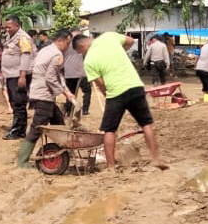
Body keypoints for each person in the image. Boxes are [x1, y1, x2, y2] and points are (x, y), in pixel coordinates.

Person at [74, 32, 169, 171]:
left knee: (109, 130)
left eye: (80, 51)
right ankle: (156, 159)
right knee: (146, 124)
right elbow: (130, 41)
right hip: (135, 86)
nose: (81, 53)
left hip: (115, 93)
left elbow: (100, 84)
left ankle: (111, 167)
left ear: (83, 45)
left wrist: (107, 94)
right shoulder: (109, 37)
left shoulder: (88, 61)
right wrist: (120, 50)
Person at [17, 30, 75, 168]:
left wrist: (66, 90)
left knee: (58, 121)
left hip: (37, 93)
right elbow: (50, 77)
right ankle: (22, 162)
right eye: (68, 43)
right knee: (37, 127)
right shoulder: (57, 54)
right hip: (44, 96)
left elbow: (57, 75)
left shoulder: (45, 50)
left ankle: (65, 152)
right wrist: (65, 93)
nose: (68, 46)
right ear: (62, 40)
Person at [1, 16, 35, 140]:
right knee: (15, 102)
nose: (7, 29)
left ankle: (17, 131)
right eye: (6, 27)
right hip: (11, 74)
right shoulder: (11, 37)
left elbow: (26, 56)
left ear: (17, 25)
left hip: (18, 75)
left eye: (9, 27)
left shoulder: (23, 38)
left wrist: (22, 76)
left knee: (18, 102)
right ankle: (19, 130)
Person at [63, 28, 91, 116]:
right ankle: (85, 110)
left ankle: (68, 111)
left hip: (69, 72)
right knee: (87, 91)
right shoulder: (82, 44)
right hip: (81, 72)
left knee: (70, 93)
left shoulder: (65, 44)